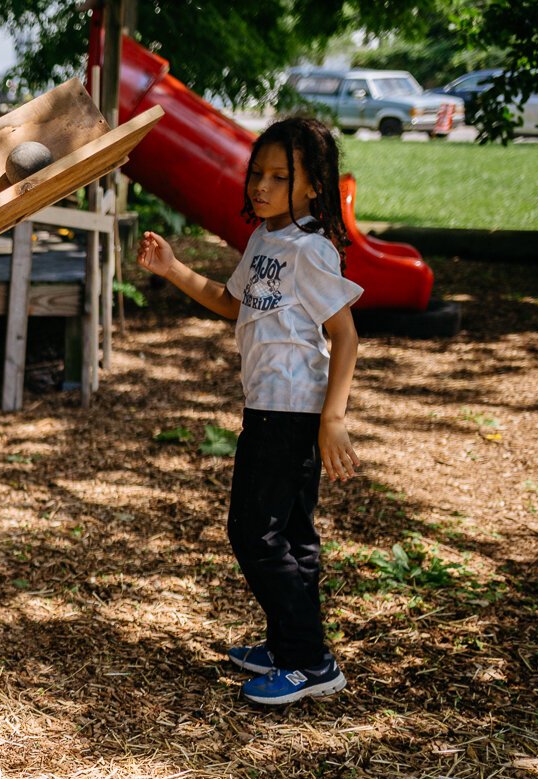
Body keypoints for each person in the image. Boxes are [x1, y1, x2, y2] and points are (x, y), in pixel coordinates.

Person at [136, 115, 362, 707]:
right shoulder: (265, 239)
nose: (260, 186)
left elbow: (346, 335)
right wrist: (173, 269)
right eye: (255, 173)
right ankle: (291, 643)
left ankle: (309, 660)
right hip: (267, 407)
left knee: (252, 533)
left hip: (290, 413)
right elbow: (230, 303)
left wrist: (331, 419)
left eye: (279, 177)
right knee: (290, 533)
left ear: (313, 187)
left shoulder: (311, 251)